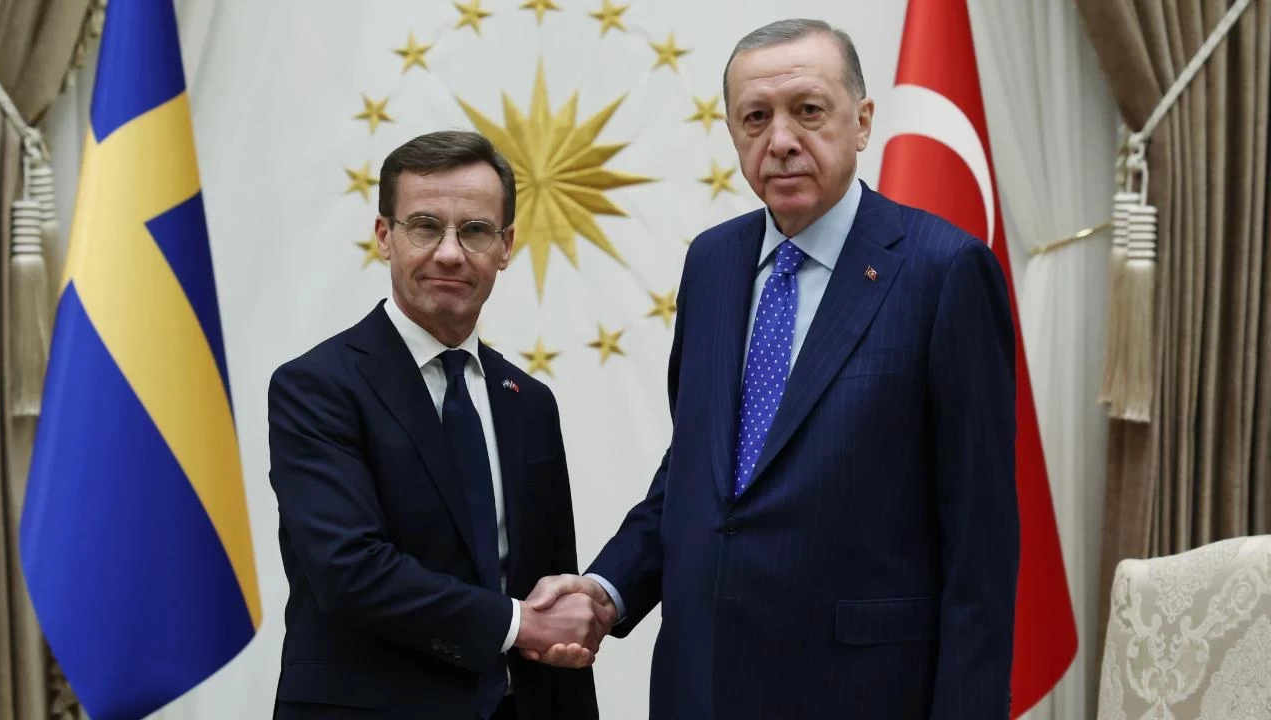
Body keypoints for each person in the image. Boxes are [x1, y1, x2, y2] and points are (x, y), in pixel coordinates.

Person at [528, 18, 1020, 719]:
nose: (781, 140)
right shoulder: (712, 262)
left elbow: (981, 543)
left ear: (862, 122)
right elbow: (699, 470)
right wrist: (607, 589)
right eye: (755, 118)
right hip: (701, 687)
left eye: (808, 110)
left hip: (861, 694)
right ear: (733, 133)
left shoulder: (944, 270)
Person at [267, 130, 608, 720]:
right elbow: (349, 570)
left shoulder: (529, 403)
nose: (450, 253)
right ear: (384, 236)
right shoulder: (316, 387)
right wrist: (516, 623)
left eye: (474, 231)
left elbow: (549, 591)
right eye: (425, 227)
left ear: (505, 246)